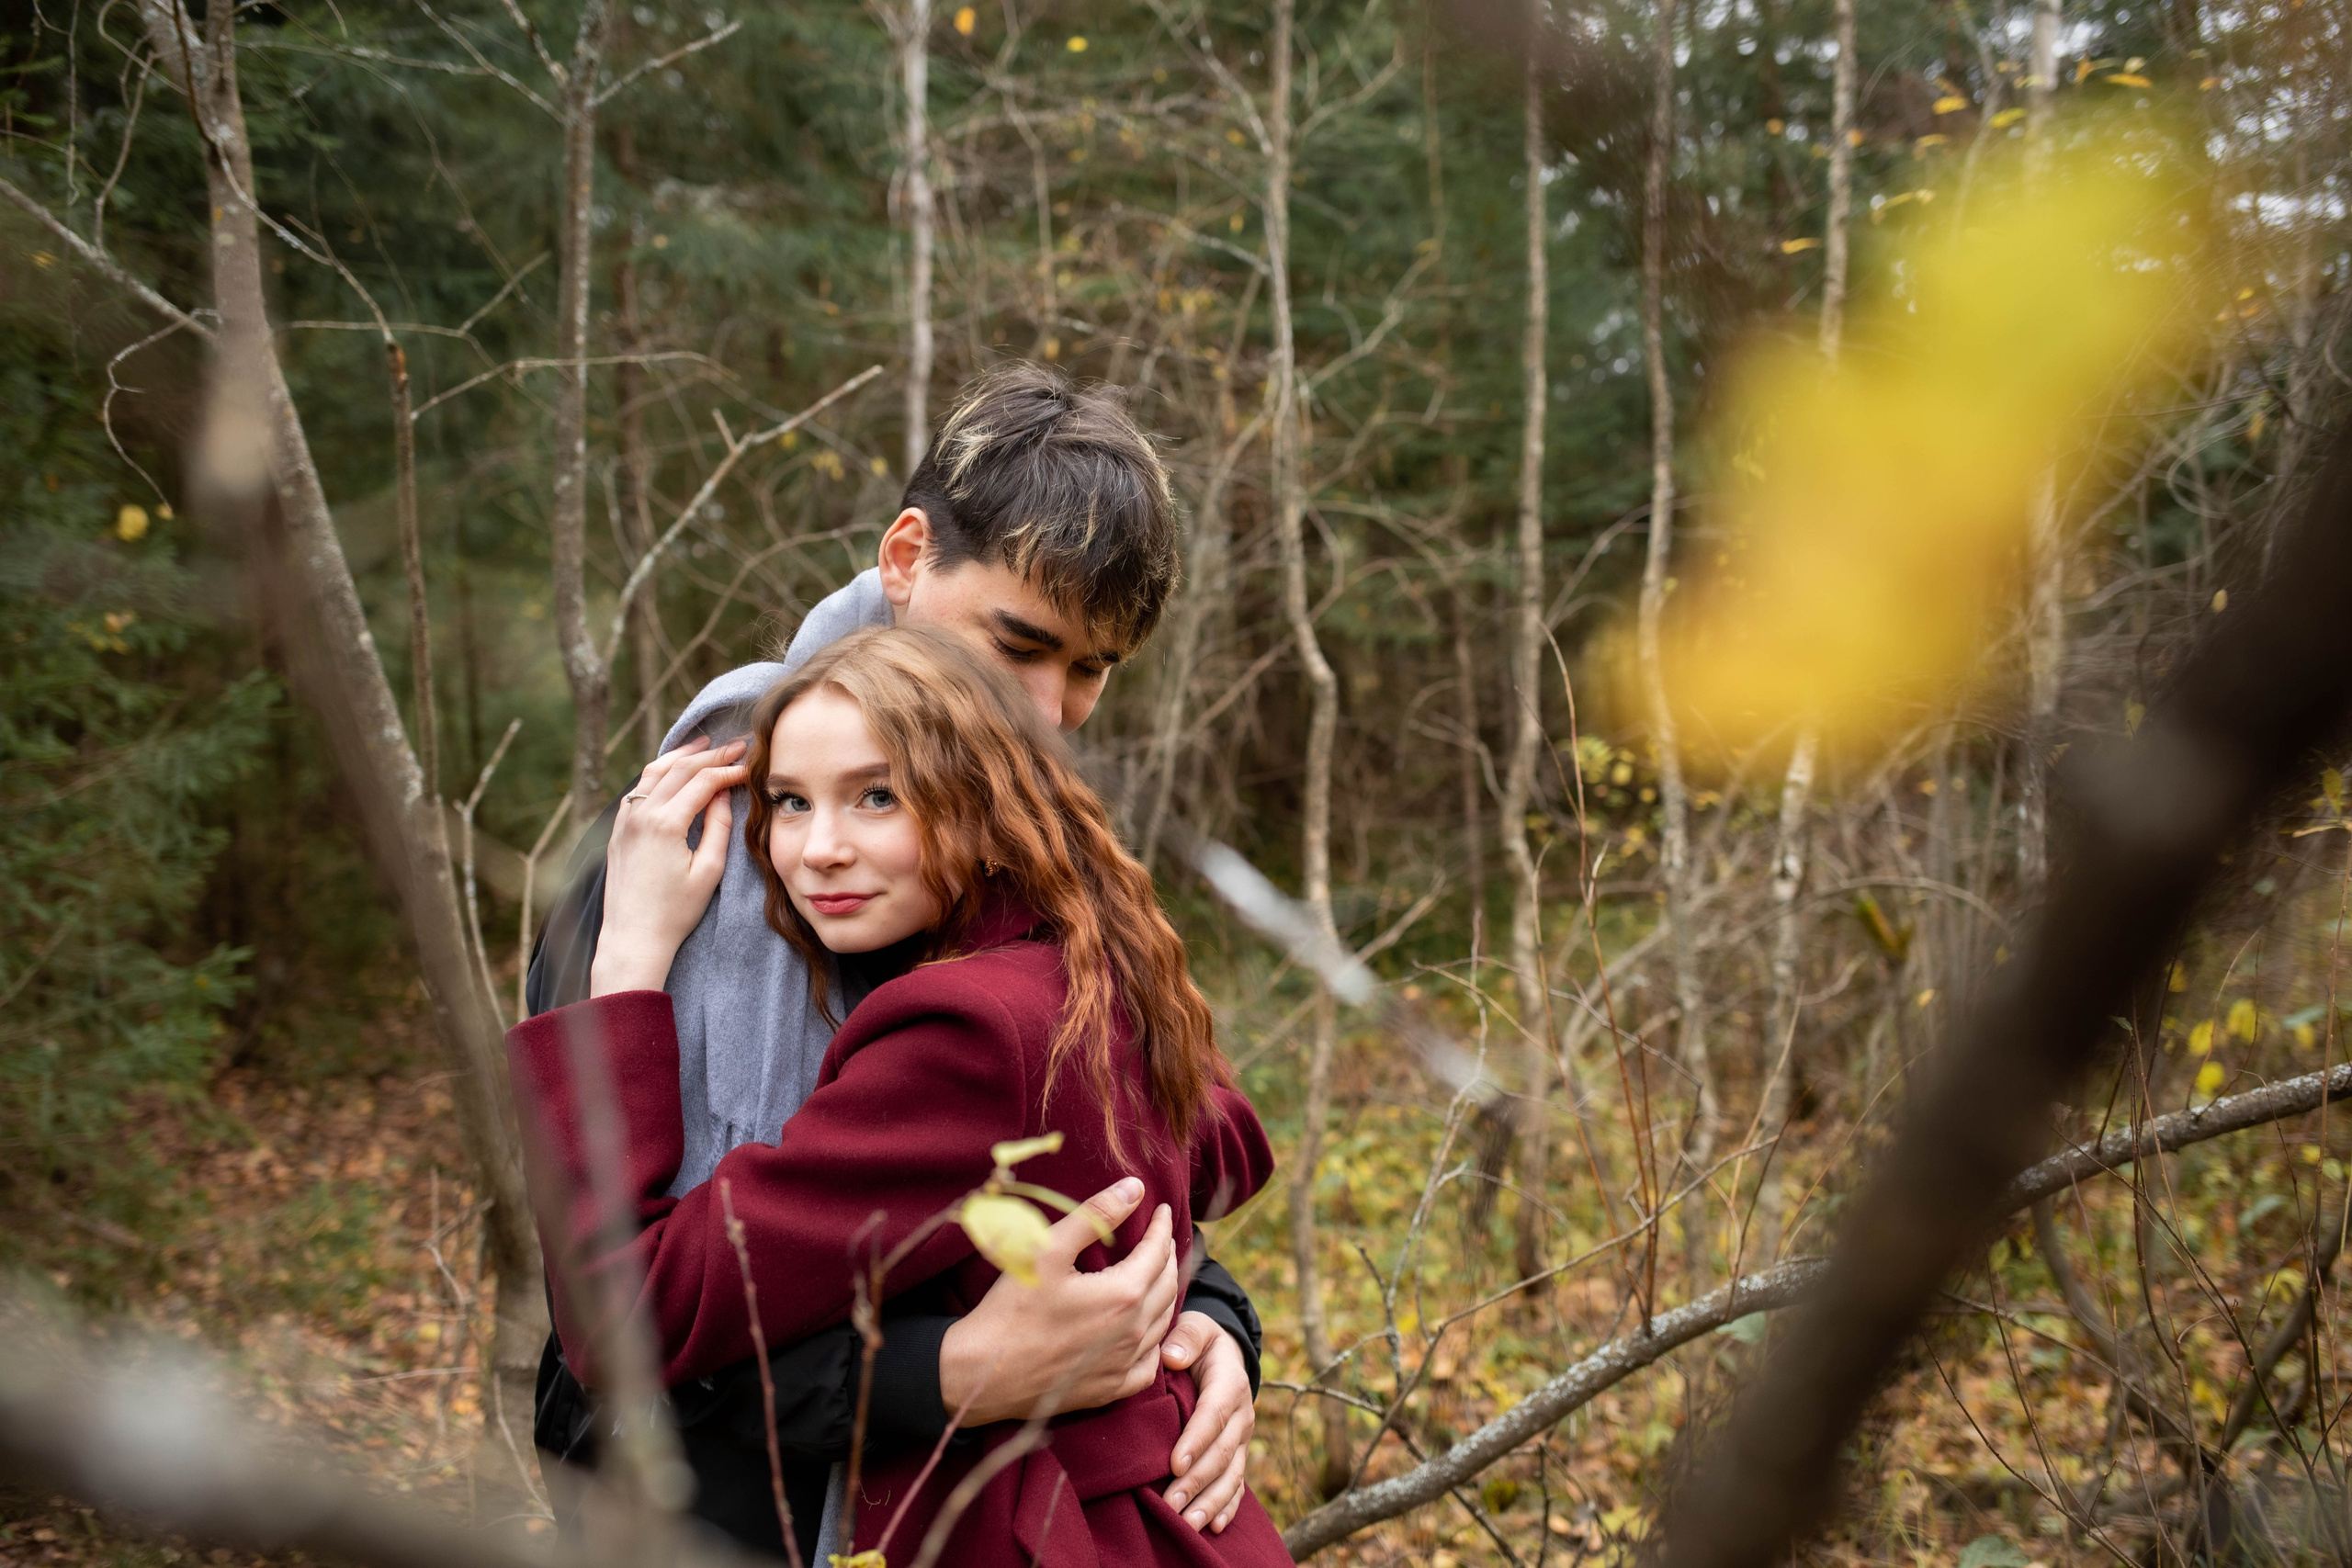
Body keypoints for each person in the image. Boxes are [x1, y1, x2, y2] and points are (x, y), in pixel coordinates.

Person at [525, 364, 1263, 1561]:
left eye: (1091, 670)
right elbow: (614, 1346)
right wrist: (944, 1372)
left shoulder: (1003, 840)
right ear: (907, 557)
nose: (1050, 710)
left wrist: (1210, 1326)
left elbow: (1157, 1130)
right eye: (1019, 642)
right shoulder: (693, 854)